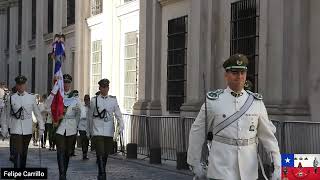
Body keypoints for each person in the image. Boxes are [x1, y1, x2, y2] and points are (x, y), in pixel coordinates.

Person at [187, 54, 281, 180]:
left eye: (242, 72)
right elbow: (197, 132)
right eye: (235, 72)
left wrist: (278, 165)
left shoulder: (256, 102)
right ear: (226, 75)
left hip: (248, 170)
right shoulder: (213, 101)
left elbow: (268, 138)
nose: (239, 77)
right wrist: (195, 163)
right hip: (220, 169)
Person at [46, 74, 86, 180]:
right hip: (60, 127)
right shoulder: (57, 96)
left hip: (71, 127)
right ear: (61, 84)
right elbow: (46, 105)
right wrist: (54, 114)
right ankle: (62, 174)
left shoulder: (75, 96)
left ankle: (64, 171)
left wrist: (76, 124)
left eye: (68, 83)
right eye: (65, 83)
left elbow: (81, 112)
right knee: (60, 150)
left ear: (70, 84)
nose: (66, 85)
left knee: (68, 152)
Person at [1, 75, 45, 168]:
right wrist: (4, 128)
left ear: (25, 85)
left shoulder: (31, 98)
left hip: (27, 129)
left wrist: (41, 126)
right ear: (16, 86)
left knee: (24, 153)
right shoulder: (11, 98)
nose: (21, 86)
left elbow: (37, 113)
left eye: (22, 84)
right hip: (15, 128)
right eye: (19, 84)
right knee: (17, 152)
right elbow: (5, 115)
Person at [87, 79, 124, 180]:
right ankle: (102, 174)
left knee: (105, 153)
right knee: (100, 151)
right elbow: (89, 116)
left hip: (108, 131)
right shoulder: (94, 100)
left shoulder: (113, 100)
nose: (104, 89)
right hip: (97, 130)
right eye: (102, 87)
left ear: (108, 88)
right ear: (99, 88)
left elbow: (118, 114)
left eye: (106, 87)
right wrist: (89, 131)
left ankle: (100, 172)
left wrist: (121, 126)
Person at [78, 94, 90, 160]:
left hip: (88, 127)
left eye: (88, 100)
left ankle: (85, 153)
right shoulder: (81, 106)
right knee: (83, 140)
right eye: (85, 100)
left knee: (87, 141)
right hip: (81, 126)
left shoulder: (91, 107)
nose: (87, 101)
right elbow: (80, 115)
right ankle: (84, 154)